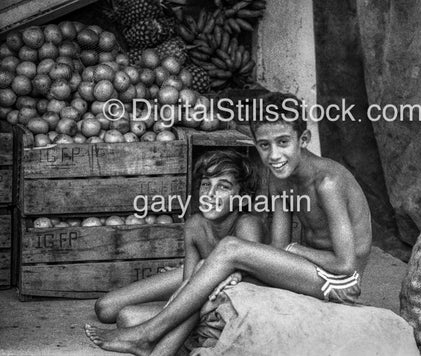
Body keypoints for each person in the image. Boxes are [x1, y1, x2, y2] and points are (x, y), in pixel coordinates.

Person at [85, 92, 373, 356]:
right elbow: (275, 250)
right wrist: (246, 269)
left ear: (305, 138)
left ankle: (149, 334)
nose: (273, 155)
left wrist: (289, 249)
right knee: (135, 307)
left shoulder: (328, 183)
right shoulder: (279, 177)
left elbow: (345, 264)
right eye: (264, 145)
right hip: (306, 271)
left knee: (231, 248)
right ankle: (153, 342)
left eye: (283, 142)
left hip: (340, 281)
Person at [90, 149, 263, 350]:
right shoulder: (195, 224)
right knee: (105, 307)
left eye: (223, 187)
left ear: (241, 197)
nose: (211, 194)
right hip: (199, 284)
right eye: (206, 184)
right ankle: (153, 332)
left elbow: (250, 282)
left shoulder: (248, 224)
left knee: (127, 318)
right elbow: (189, 283)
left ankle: (149, 337)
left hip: (226, 291)